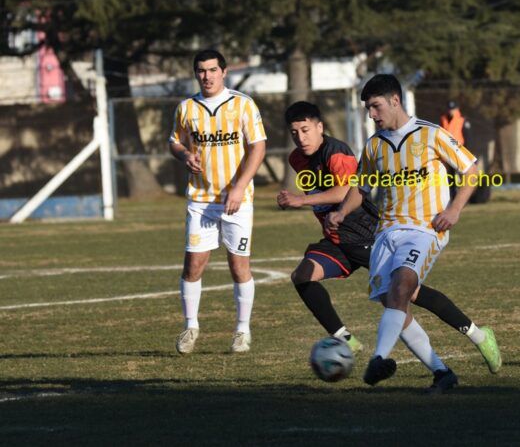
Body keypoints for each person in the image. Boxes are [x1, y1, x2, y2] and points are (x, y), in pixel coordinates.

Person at [279, 101, 500, 375]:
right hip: (337, 240)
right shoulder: (297, 159)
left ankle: (478, 335)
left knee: (407, 295)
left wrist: (301, 200)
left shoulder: (336, 153)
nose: (300, 138)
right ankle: (346, 339)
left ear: (319, 127)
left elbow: (347, 191)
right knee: (302, 275)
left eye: (305, 130)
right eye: (294, 132)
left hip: (367, 235)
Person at [327, 74, 501, 394]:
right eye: (368, 109)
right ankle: (443, 371)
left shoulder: (431, 134)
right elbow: (360, 188)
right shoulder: (375, 145)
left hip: (425, 229)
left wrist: (454, 210)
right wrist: (341, 212)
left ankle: (379, 358)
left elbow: (471, 171)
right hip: (386, 233)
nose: (372, 114)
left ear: (395, 100)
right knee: (395, 302)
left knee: (402, 285)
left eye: (376, 106)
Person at [169, 49, 267, 354]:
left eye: (213, 70)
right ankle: (191, 327)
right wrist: (185, 154)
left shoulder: (243, 104)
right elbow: (174, 141)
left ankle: (242, 331)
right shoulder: (187, 108)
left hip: (237, 200)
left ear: (224, 72)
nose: (207, 76)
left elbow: (258, 147)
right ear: (195, 74)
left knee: (239, 266)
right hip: (201, 200)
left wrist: (239, 187)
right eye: (201, 70)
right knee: (193, 266)